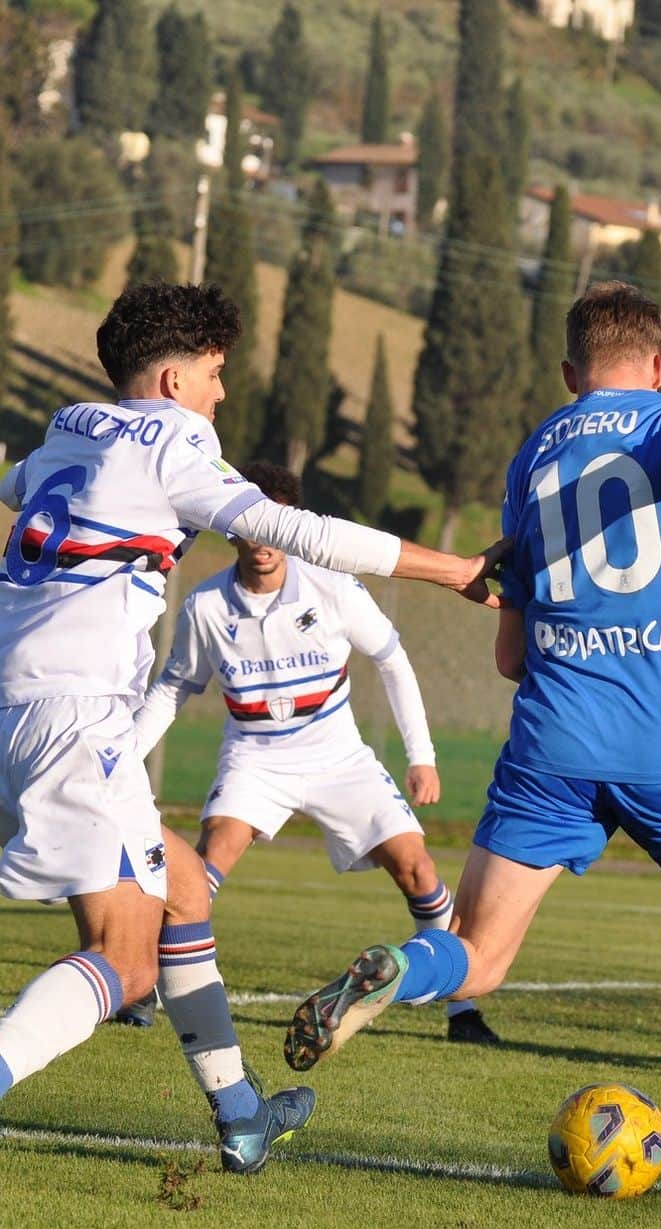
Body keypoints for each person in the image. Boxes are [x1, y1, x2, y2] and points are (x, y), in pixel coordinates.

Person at [283, 281, 661, 1192]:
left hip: (553, 743)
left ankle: (402, 966)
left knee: (478, 954)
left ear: (569, 374)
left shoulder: (530, 462)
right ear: (658, 362)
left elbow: (511, 657)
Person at [0, 282, 504, 1174]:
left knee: (186, 889)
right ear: (168, 378)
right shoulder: (171, 440)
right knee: (126, 960)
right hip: (74, 716)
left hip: (23, 708)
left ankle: (240, 1118)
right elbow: (299, 530)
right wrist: (451, 569)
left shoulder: (59, 440)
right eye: (215, 374)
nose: (221, 396)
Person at [126, 461, 499, 1046]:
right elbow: (174, 689)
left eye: (277, 527)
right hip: (254, 759)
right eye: (252, 527)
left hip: (339, 758)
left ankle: (462, 1010)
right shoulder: (206, 607)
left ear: (292, 526)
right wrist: (122, 759)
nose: (263, 541)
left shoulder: (331, 587)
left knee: (417, 867)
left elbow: (392, 658)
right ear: (234, 528)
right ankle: (142, 984)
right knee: (205, 864)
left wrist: (421, 755)